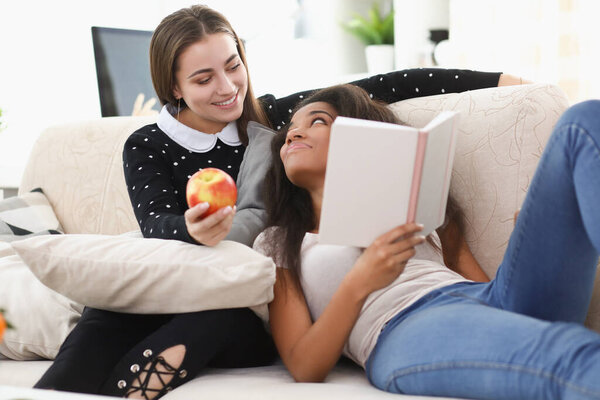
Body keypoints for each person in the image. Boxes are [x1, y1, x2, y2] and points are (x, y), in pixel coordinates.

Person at [34, 5, 523, 399]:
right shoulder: (148, 144)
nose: (227, 89)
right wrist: (191, 227)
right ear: (173, 88)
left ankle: (130, 391)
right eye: (203, 80)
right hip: (178, 276)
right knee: (106, 312)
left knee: (215, 315)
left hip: (248, 312)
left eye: (233, 66)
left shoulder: (272, 123)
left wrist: (497, 79)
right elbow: (155, 223)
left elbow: (388, 85)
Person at [256, 83, 600, 399]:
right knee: (567, 351)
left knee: (582, 121)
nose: (293, 133)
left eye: (317, 121)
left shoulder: (418, 207)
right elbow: (304, 365)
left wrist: (528, 250)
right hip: (403, 328)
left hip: (481, 301)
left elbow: (486, 294)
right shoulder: (279, 242)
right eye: (289, 130)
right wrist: (360, 282)